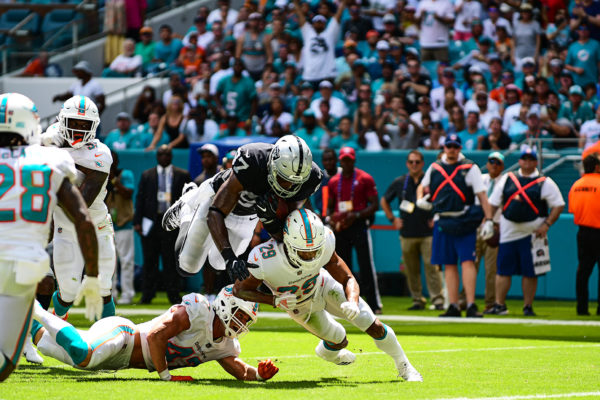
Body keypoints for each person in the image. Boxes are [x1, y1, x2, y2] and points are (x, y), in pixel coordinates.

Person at [233, 209, 422, 381]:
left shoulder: (325, 241)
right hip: (300, 307)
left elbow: (348, 277)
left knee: (371, 322)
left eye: (315, 251)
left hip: (323, 285)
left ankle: (404, 365)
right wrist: (273, 300)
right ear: (289, 243)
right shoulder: (265, 259)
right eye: (305, 253)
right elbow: (240, 290)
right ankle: (328, 353)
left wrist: (353, 301)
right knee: (340, 339)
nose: (311, 257)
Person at [0, 93, 100, 381]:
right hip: (22, 268)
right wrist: (92, 276)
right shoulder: (50, 160)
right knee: (5, 365)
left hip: (20, 265)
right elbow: (82, 219)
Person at [30, 286, 279, 381]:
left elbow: (239, 370)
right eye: (242, 315)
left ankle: (27, 321)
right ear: (226, 306)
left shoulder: (225, 343)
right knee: (84, 354)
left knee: (47, 345)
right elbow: (155, 337)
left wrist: (259, 374)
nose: (242, 323)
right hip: (125, 335)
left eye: (247, 319)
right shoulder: (198, 310)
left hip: (122, 362)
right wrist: (166, 377)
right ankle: (34, 308)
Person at [162, 136, 322, 282]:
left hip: (248, 218)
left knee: (219, 264)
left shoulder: (311, 179)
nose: (288, 187)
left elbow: (283, 234)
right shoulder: (254, 159)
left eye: (295, 183)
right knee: (188, 266)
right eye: (283, 178)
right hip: (216, 201)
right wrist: (230, 257)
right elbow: (216, 212)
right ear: (273, 164)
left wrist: (270, 220)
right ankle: (187, 207)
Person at [40, 96, 116, 320]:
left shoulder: (100, 154)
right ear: (62, 121)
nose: (79, 129)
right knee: (68, 291)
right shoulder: (49, 138)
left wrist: (55, 161)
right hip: (65, 226)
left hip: (96, 222)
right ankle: (57, 317)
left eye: (85, 125)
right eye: (74, 123)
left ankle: (114, 334)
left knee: (104, 285)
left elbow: (82, 203)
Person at [416, 134, 495, 318]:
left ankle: (471, 304)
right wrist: (420, 199)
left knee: (468, 262)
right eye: (448, 146)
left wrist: (489, 220)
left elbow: (482, 196)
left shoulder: (470, 167)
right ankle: (452, 305)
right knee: (448, 264)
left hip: (464, 220)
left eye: (455, 146)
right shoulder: (435, 167)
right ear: (444, 147)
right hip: (443, 220)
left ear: (459, 148)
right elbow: (422, 185)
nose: (451, 150)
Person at [487, 148, 565, 316]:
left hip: (533, 233)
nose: (527, 162)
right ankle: (500, 304)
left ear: (536, 162)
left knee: (530, 272)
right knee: (502, 270)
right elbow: (493, 203)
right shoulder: (508, 178)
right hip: (508, 231)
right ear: (520, 161)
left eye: (531, 159)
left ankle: (527, 306)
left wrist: (547, 224)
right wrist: (488, 221)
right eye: (524, 159)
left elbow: (559, 204)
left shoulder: (544, 182)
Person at [380, 150, 444, 311]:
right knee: (411, 269)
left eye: (417, 162)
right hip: (407, 233)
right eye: (411, 162)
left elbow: (442, 199)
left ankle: (438, 300)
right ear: (407, 164)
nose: (414, 165)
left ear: (423, 164)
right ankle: (417, 300)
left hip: (427, 233)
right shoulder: (400, 182)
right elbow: (384, 200)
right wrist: (392, 219)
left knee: (432, 268)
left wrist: (436, 217)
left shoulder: (429, 181)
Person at [326, 147, 382, 313]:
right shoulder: (334, 181)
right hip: (342, 227)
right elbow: (329, 208)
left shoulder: (365, 178)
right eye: (344, 160)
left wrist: (356, 215)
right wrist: (334, 219)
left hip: (358, 224)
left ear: (354, 160)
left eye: (349, 160)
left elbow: (374, 204)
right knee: (343, 266)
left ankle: (374, 303)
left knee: (366, 265)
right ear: (340, 161)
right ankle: (346, 301)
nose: (346, 163)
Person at [133, 145, 192, 305]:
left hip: (172, 224)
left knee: (171, 261)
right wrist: (137, 221)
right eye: (161, 154)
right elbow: (140, 199)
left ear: (171, 156)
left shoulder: (182, 175)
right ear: (157, 156)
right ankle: (147, 295)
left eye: (167, 154)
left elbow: (189, 200)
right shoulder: (147, 175)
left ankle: (173, 295)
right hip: (151, 222)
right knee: (149, 261)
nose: (164, 156)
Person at [462, 152, 505, 313]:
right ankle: (465, 300)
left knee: (491, 267)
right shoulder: (480, 179)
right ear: (487, 164)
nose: (494, 165)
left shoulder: (505, 181)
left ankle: (490, 303)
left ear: (502, 166)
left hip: (495, 227)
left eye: (497, 162)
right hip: (476, 226)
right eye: (491, 161)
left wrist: (493, 222)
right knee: (470, 264)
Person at [568, 153, 600, 316]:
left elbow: (573, 209)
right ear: (596, 167)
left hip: (583, 232)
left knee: (583, 271)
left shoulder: (576, 185)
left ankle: (582, 308)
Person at [106, 151, 136, 305]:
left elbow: (128, 193)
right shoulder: (101, 173)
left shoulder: (126, 174)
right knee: (109, 262)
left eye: (113, 159)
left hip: (124, 223)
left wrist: (114, 181)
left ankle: (128, 294)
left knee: (126, 261)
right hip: (107, 224)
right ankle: (111, 295)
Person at [292, 0, 346, 86]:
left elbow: (337, 17)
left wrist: (343, 3)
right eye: (316, 22)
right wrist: (295, 3)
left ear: (324, 24)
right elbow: (300, 17)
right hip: (309, 76)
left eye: (321, 22)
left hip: (327, 75)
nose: (318, 24)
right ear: (313, 24)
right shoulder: (308, 33)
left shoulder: (329, 34)